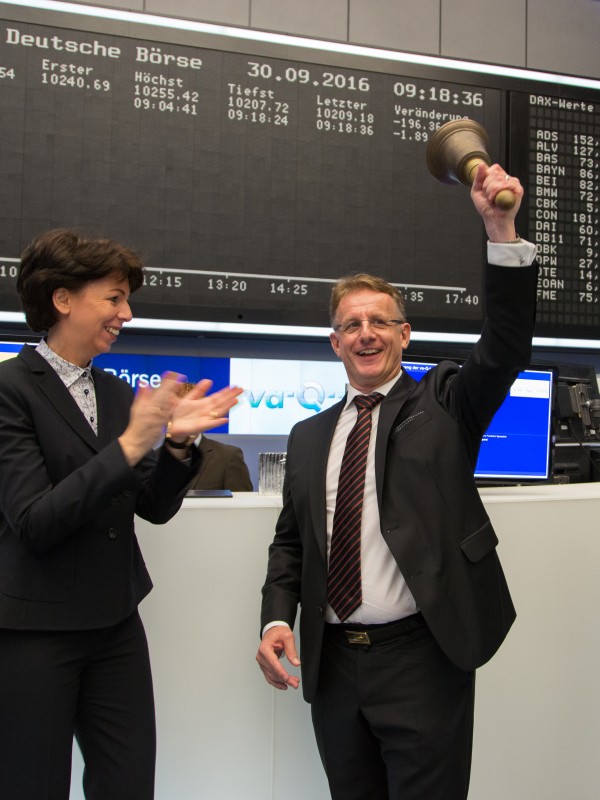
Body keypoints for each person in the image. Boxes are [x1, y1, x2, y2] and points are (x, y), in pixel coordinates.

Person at [256, 163, 538, 800]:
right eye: (352, 325)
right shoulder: (307, 437)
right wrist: (277, 621)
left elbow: (506, 344)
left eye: (380, 321)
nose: (366, 333)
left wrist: (499, 228)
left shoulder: (444, 404)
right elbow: (291, 544)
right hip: (333, 667)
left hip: (422, 658)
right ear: (335, 343)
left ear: (403, 335)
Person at [0, 228, 242, 800]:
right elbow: (34, 521)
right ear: (62, 299)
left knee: (129, 783)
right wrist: (132, 445)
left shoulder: (112, 392)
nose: (126, 313)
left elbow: (152, 509)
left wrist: (177, 447)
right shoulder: (10, 388)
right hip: (34, 634)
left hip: (114, 624)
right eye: (113, 298)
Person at [175, 383, 253, 492]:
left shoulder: (228, 457)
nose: (187, 418)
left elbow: (242, 506)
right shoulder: (155, 459)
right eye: (181, 412)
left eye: (191, 411)